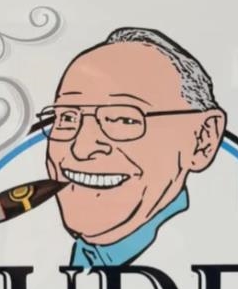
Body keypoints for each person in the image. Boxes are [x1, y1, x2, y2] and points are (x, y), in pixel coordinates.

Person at [42, 27, 226, 267]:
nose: (81, 148)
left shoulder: (204, 250)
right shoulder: (47, 257)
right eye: (67, 118)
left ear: (203, 139)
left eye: (123, 120)